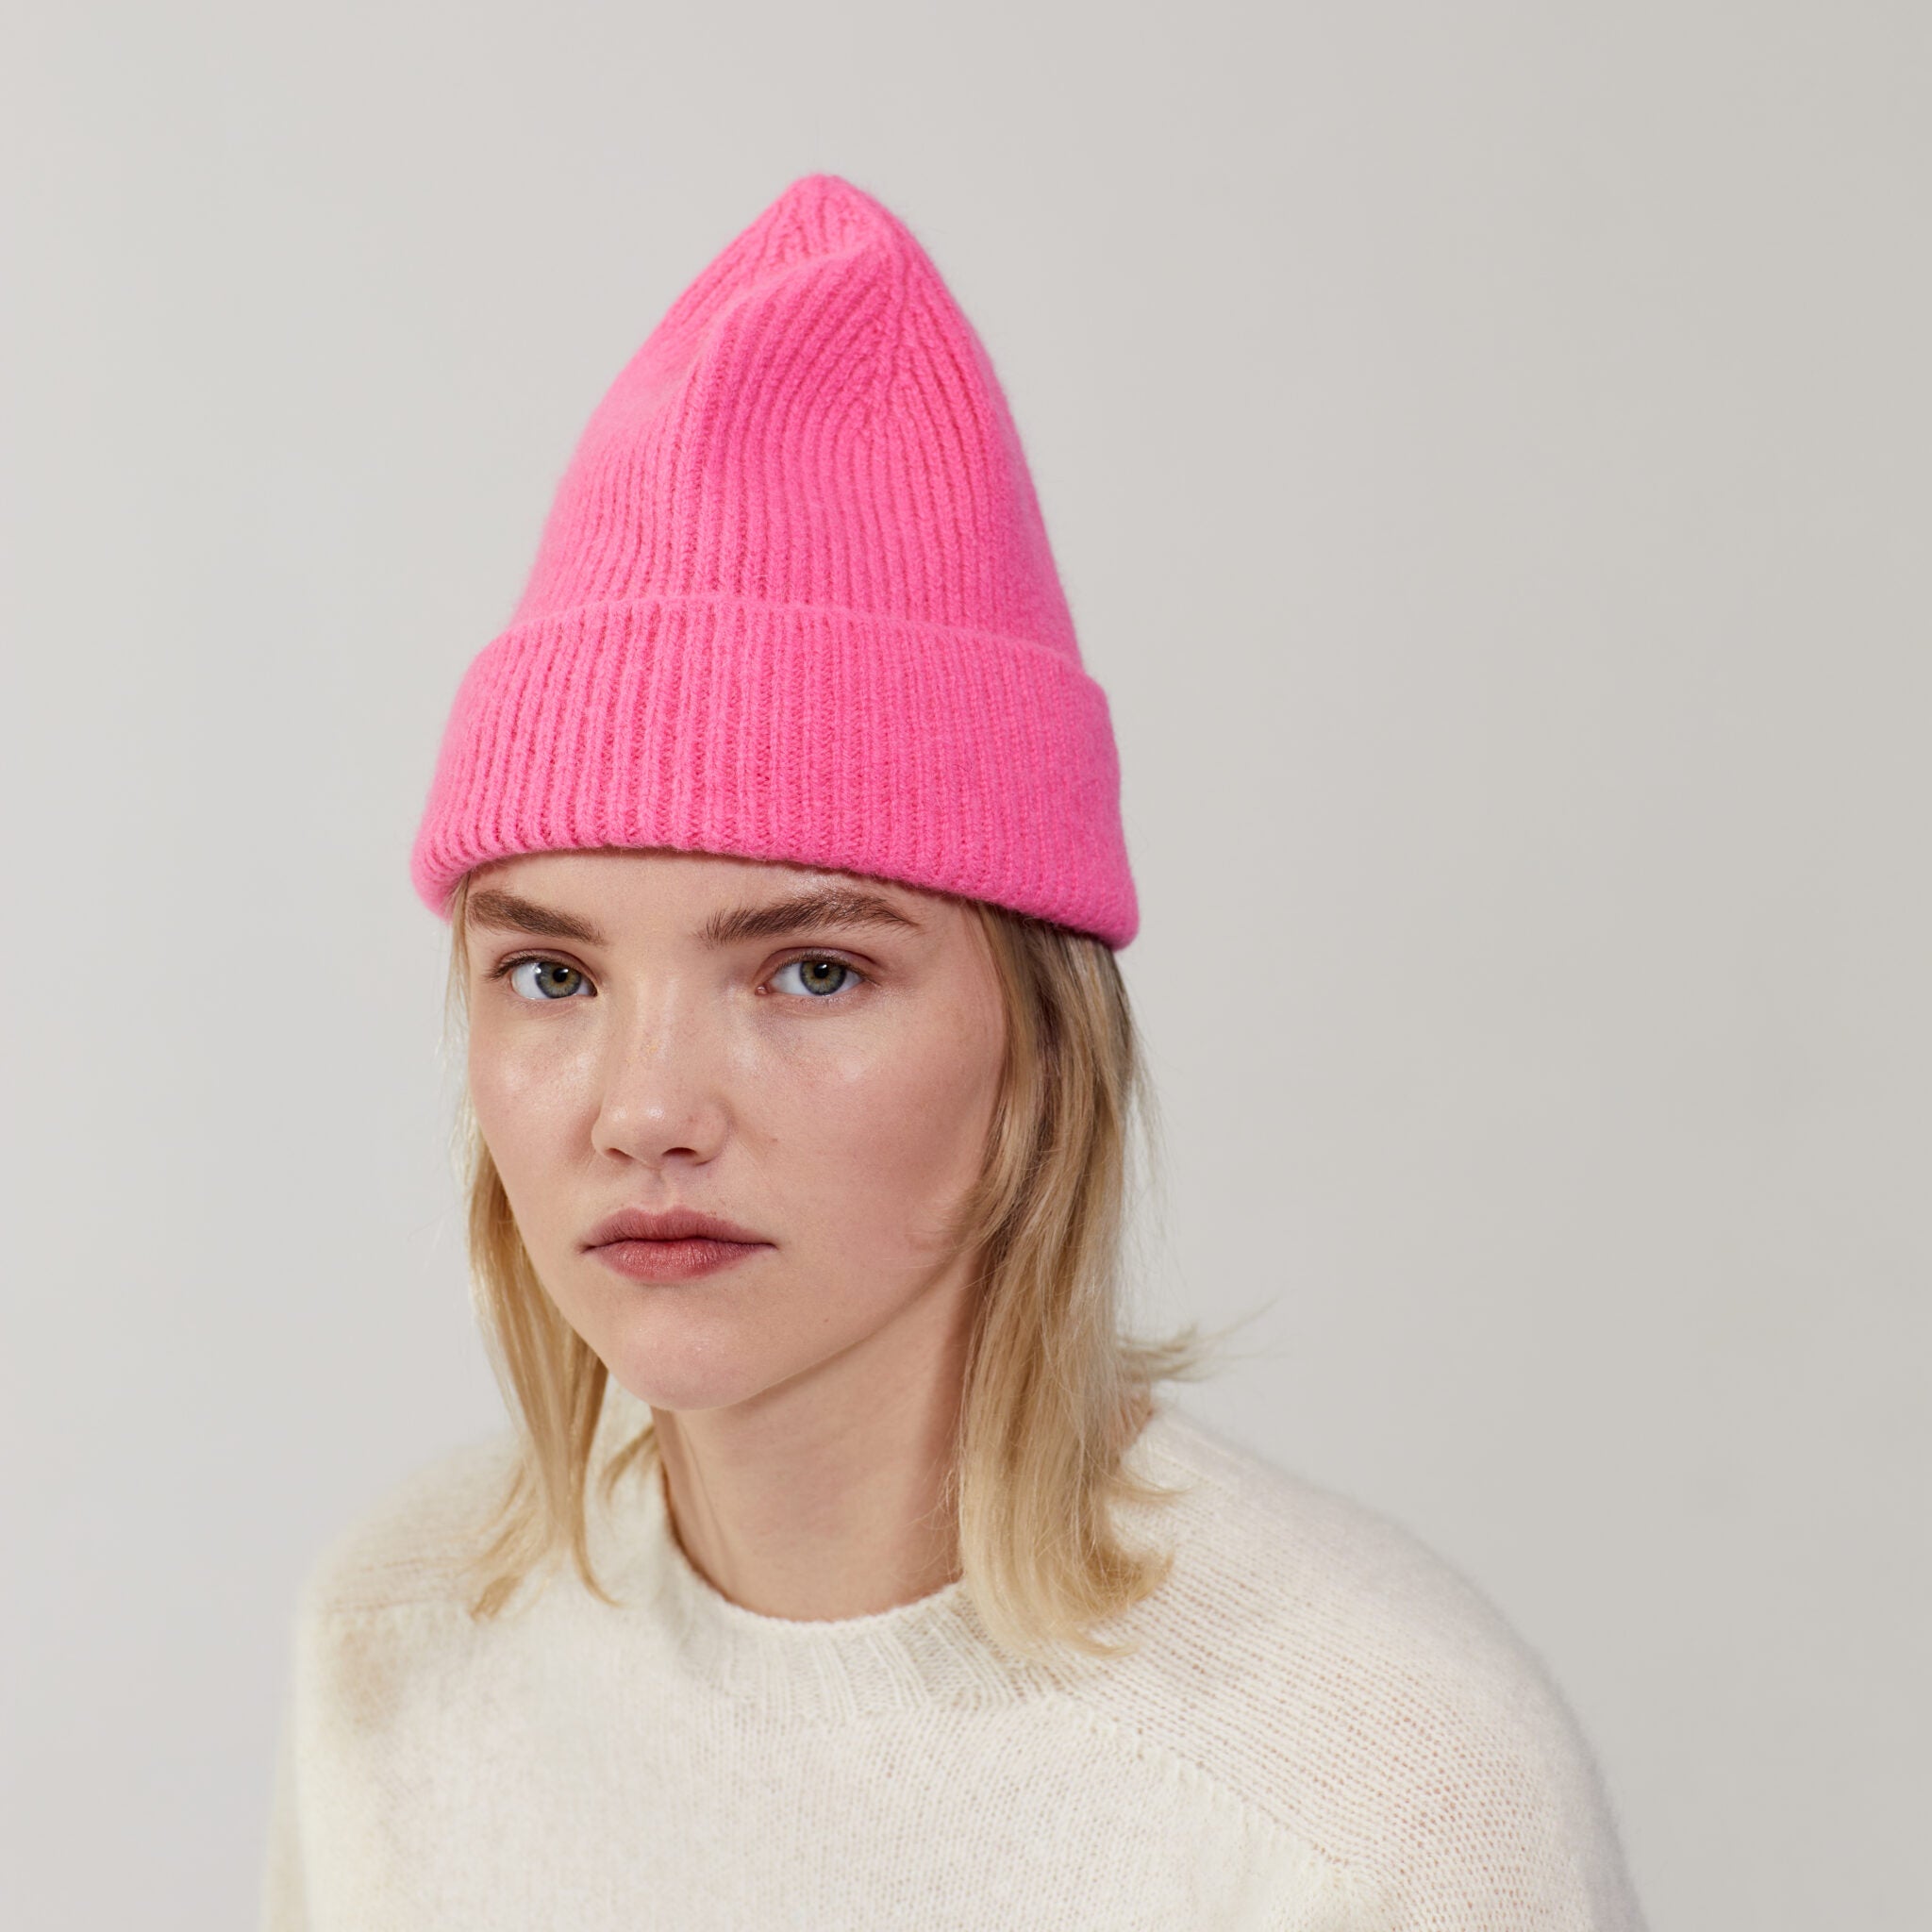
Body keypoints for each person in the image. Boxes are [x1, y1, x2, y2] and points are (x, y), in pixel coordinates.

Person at [258, 172, 1648, 1929]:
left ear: (1041, 1046)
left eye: (811, 972)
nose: (646, 1109)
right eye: (551, 973)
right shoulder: (398, 1646)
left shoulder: (1376, 1788)